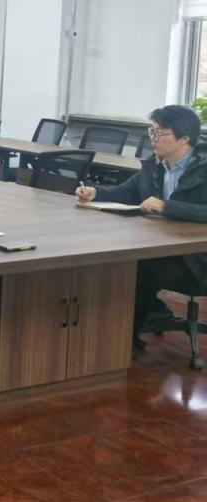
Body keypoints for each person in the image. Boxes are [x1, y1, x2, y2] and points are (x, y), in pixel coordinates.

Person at [76, 105, 207, 343]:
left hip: (197, 260)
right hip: (162, 248)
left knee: (138, 269)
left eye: (160, 133)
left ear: (184, 138)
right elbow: (125, 192)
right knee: (118, 261)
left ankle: (125, 340)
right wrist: (95, 193)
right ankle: (144, 317)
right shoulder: (154, 166)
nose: (152, 139)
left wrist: (167, 207)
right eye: (151, 132)